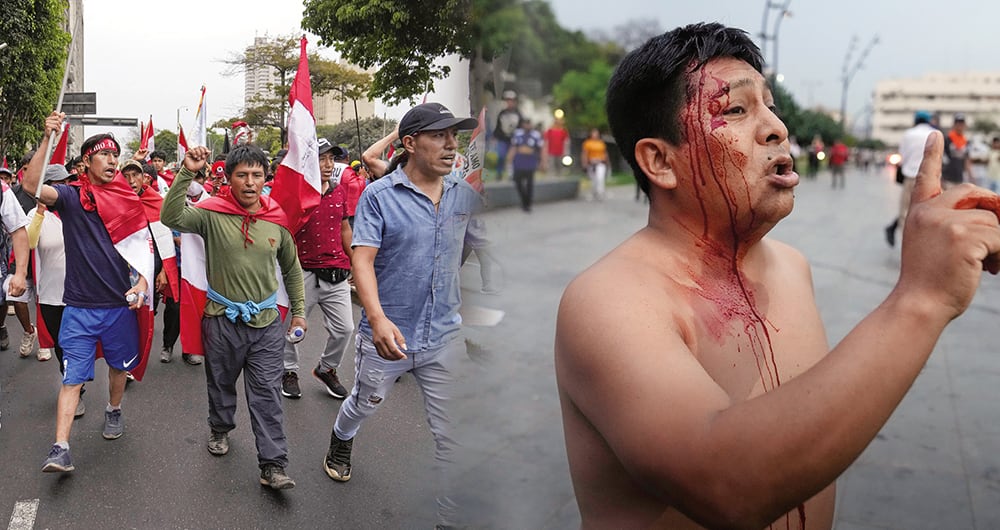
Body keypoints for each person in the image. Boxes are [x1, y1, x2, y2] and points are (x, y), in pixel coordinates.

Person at [555, 23, 1000, 529]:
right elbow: (726, 484)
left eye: (770, 106)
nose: (776, 127)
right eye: (737, 110)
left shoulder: (792, 266)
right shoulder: (608, 301)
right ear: (659, 160)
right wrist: (921, 299)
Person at [322, 102, 483, 528]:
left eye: (455, 136)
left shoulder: (464, 196)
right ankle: (342, 436)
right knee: (365, 403)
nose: (452, 145)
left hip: (445, 337)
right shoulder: (379, 196)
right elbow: (363, 260)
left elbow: (485, 245)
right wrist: (375, 318)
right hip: (389, 337)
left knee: (454, 437)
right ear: (409, 144)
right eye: (439, 136)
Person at [161, 144, 306, 490]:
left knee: (267, 394)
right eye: (242, 175)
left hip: (266, 324)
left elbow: (292, 270)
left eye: (257, 175)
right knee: (221, 384)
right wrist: (187, 171)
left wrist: (298, 313)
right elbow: (171, 217)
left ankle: (273, 464)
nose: (251, 182)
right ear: (229, 179)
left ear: (265, 178)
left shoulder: (277, 219)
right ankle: (220, 427)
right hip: (221, 321)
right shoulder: (212, 214)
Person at [24, 112, 153, 474]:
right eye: (103, 154)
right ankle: (60, 447)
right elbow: (32, 185)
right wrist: (46, 138)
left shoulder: (128, 199)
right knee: (71, 377)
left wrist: (142, 283)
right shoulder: (70, 196)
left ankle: (113, 410)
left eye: (115, 154)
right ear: (86, 162)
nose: (113, 160)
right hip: (78, 308)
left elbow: (145, 248)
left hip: (118, 307)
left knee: (117, 368)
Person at [280, 137, 353, 401]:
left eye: (332, 159)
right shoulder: (296, 193)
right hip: (302, 273)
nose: (327, 164)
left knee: (345, 329)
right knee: (292, 330)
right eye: (322, 158)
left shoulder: (339, 191)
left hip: (336, 272)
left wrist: (354, 260)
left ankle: (326, 368)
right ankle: (288, 371)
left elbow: (344, 228)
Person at [884, 110, 936, 247]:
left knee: (905, 212)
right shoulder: (935, 134)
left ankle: (906, 245)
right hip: (930, 181)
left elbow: (902, 157)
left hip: (911, 178)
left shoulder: (909, 134)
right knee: (926, 213)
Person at [506, 118, 543, 212]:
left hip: (530, 162)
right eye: (525, 124)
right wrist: (509, 159)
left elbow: (541, 149)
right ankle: (524, 199)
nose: (527, 126)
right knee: (518, 182)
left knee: (529, 183)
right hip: (519, 162)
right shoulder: (518, 134)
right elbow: (513, 147)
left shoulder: (536, 135)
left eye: (528, 124)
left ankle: (528, 203)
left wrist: (542, 161)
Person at [492, 90, 522, 180]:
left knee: (513, 158)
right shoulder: (502, 113)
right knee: (501, 156)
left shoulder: (518, 114)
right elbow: (498, 126)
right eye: (508, 100)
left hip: (514, 140)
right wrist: (495, 136)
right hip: (503, 139)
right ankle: (499, 173)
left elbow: (521, 127)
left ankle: (512, 174)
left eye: (511, 100)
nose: (510, 103)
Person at [942, 112, 973, 189]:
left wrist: (971, 177)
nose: (960, 126)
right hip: (947, 178)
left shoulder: (966, 142)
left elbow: (967, 160)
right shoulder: (947, 139)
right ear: (954, 124)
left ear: (965, 125)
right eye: (958, 123)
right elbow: (940, 158)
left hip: (960, 178)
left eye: (962, 123)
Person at [581, 128, 610, 201]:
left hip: (600, 163)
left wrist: (607, 162)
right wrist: (584, 163)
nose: (595, 135)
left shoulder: (601, 143)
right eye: (593, 133)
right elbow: (585, 154)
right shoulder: (587, 143)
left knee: (600, 178)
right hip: (591, 164)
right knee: (593, 179)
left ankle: (600, 192)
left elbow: (605, 153)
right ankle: (594, 192)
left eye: (596, 133)